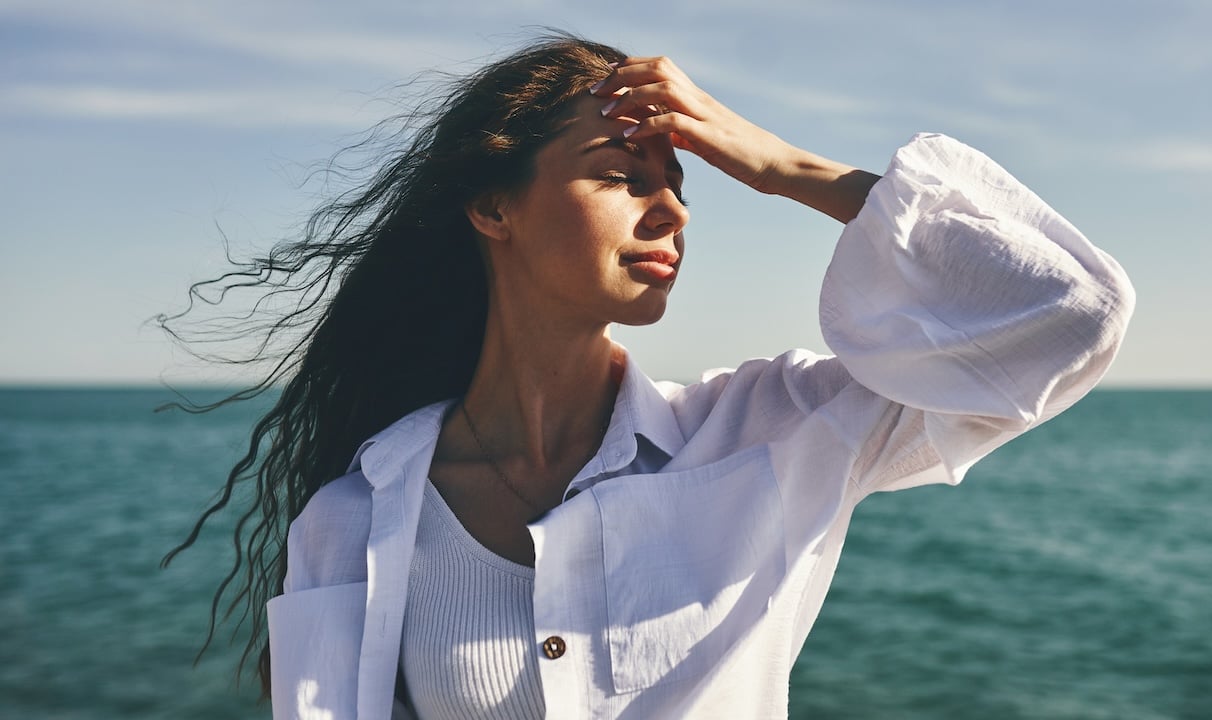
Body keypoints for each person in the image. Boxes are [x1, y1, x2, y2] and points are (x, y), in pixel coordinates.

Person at [164, 34, 1134, 720]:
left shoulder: (773, 435)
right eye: (624, 177)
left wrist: (778, 165)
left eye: (681, 183)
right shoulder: (357, 519)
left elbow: (1067, 315)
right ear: (492, 207)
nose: (670, 210)